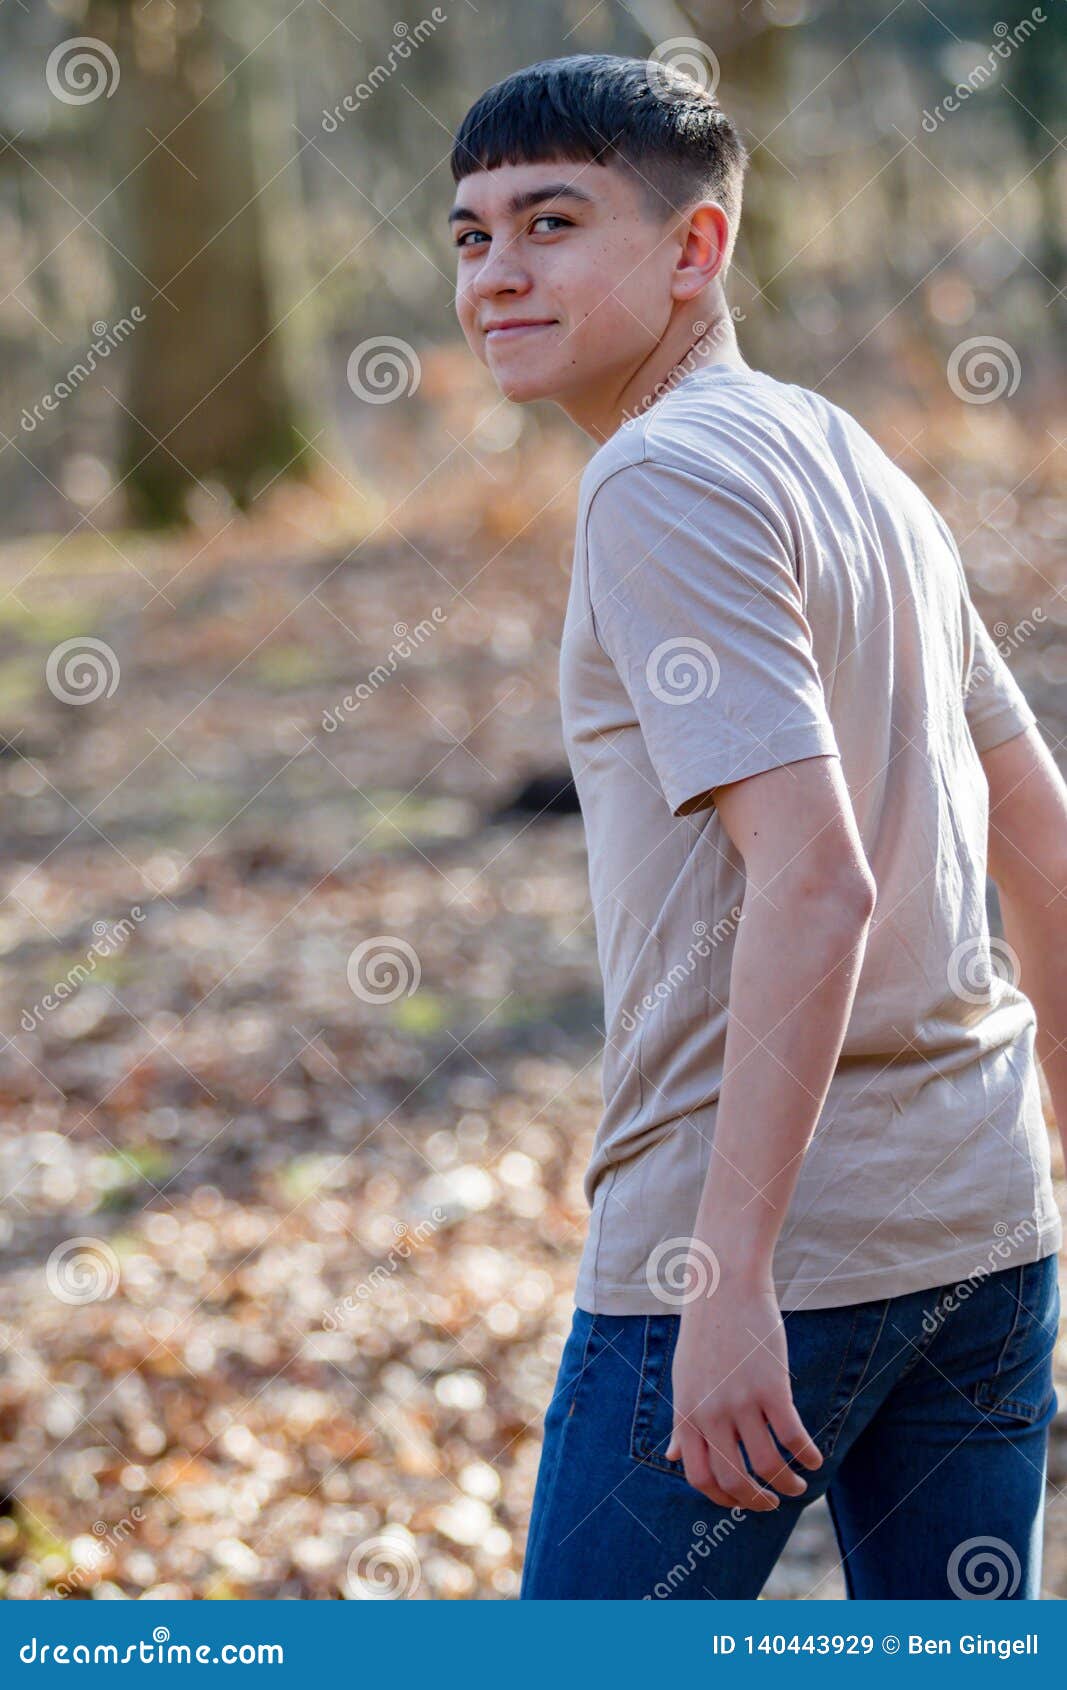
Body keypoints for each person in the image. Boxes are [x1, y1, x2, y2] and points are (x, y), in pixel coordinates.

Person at [446, 52, 1065, 1599]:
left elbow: (816, 880)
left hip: (749, 1254)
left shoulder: (654, 481)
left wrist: (722, 1276)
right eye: (471, 236)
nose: (498, 274)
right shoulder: (861, 464)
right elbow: (1041, 830)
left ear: (694, 249)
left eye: (551, 223)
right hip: (985, 1231)